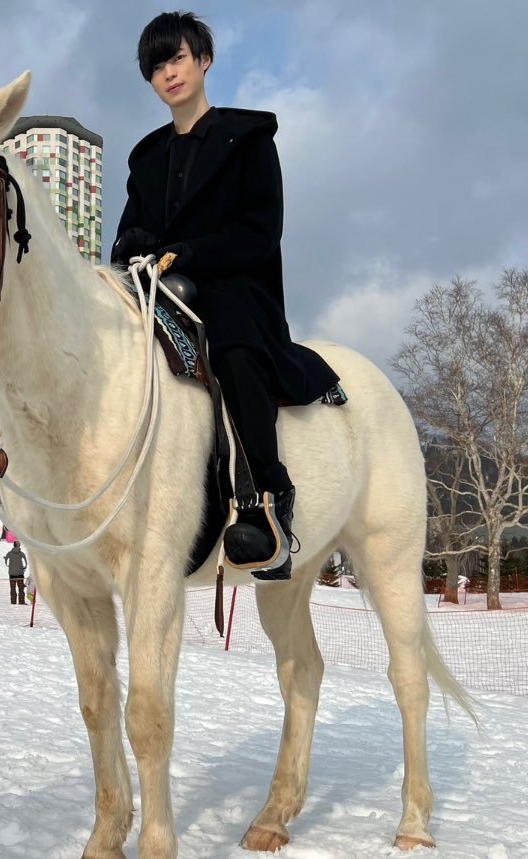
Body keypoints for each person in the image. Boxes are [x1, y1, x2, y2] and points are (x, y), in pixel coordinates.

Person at [111, 11, 340, 579]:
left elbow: (262, 232)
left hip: (236, 286)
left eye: (179, 58)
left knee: (234, 348)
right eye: (157, 66)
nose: (170, 72)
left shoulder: (251, 136)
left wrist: (191, 252)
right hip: (161, 292)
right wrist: (136, 244)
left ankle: (268, 504)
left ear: (203, 60)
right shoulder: (144, 157)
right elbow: (125, 235)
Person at [4, 540, 28, 605]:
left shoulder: (9, 553)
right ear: (19, 546)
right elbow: (26, 562)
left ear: (13, 545)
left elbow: (6, 561)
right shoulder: (21, 553)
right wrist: (24, 568)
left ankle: (13, 602)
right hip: (20, 574)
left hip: (12, 574)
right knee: (21, 588)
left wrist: (7, 564)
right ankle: (21, 602)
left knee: (12, 589)